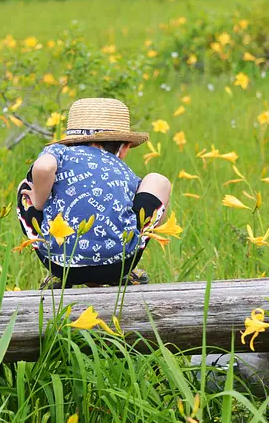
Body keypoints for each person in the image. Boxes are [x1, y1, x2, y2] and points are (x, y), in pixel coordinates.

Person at [16, 98, 171, 289]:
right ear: (124, 148)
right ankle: (123, 270)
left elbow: (44, 166)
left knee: (26, 187)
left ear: (72, 141)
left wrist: (38, 203)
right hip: (119, 264)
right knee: (158, 180)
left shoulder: (60, 152)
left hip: (60, 264)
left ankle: (58, 275)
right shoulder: (123, 172)